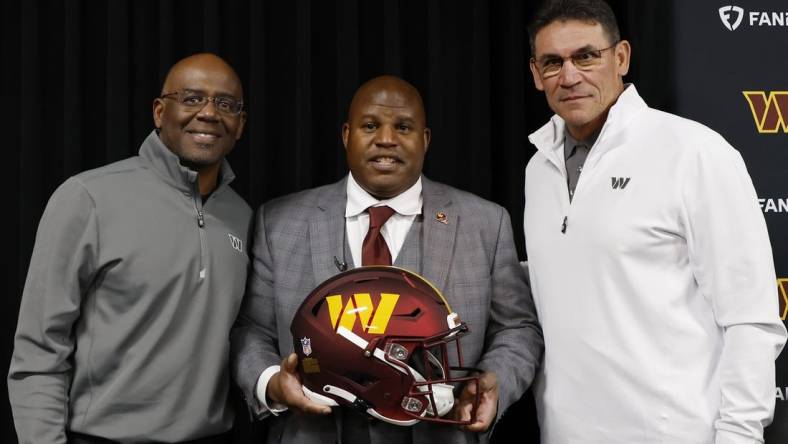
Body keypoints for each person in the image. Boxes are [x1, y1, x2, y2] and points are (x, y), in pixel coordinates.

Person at [523, 1, 787, 443]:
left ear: (621, 57)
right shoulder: (538, 168)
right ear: (536, 74)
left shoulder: (694, 152)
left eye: (586, 56)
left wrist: (739, 436)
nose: (569, 77)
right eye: (553, 62)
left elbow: (750, 320)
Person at [231, 75, 542, 444]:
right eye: (370, 125)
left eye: (404, 127)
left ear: (425, 140)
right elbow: (251, 329)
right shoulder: (279, 222)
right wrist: (271, 382)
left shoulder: (486, 223)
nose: (386, 139)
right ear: (347, 135)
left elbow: (518, 328)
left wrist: (494, 383)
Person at [8, 53, 252, 443]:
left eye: (225, 104)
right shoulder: (88, 198)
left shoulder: (243, 217)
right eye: (191, 98)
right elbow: (39, 349)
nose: (208, 113)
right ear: (159, 111)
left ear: (240, 125)